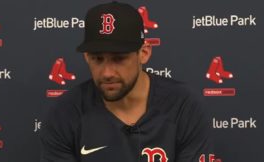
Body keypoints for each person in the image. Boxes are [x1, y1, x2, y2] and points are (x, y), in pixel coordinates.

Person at [40, 1, 213, 162]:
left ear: (143, 53)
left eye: (119, 59)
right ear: (86, 57)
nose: (107, 73)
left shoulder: (183, 105)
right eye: (98, 59)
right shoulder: (65, 113)